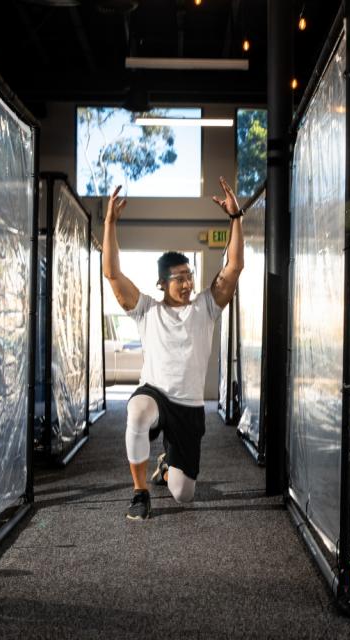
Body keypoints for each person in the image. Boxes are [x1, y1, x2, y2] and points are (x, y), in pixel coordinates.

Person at [103, 177, 244, 520]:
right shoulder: (147, 309)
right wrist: (109, 223)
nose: (186, 282)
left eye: (189, 275)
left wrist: (236, 218)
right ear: (161, 283)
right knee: (136, 414)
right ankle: (140, 493)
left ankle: (167, 466)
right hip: (155, 394)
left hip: (190, 407)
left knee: (183, 495)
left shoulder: (206, 307)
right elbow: (112, 273)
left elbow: (234, 266)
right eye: (178, 277)